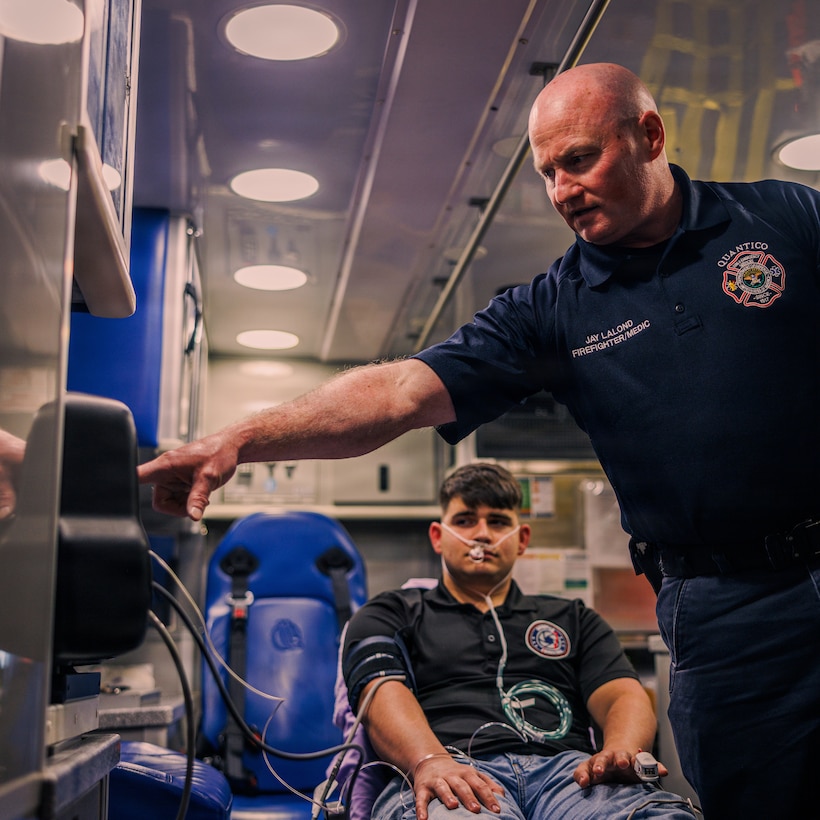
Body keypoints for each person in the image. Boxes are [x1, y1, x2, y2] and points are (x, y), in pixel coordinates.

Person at [138, 62, 820, 818]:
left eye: (580, 160)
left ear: (649, 136)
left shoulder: (785, 219)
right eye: (547, 173)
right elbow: (398, 392)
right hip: (729, 609)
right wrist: (241, 436)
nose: (562, 190)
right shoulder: (554, 310)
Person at [339, 462, 696, 820]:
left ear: (521, 538)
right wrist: (429, 761)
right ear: (438, 536)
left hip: (571, 776)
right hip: (448, 769)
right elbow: (380, 691)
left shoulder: (573, 618)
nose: (481, 534)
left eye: (497, 522)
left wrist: (620, 752)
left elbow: (622, 694)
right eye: (464, 521)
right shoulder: (391, 612)